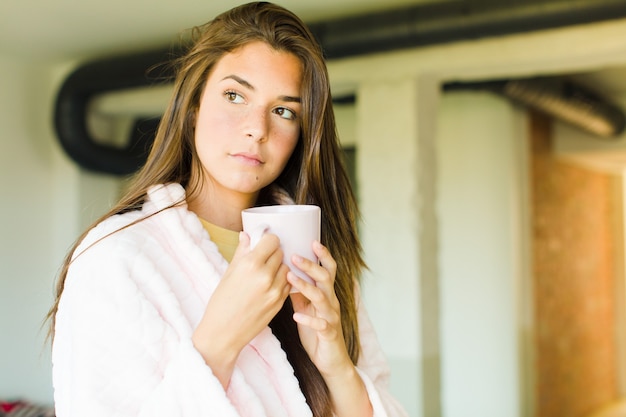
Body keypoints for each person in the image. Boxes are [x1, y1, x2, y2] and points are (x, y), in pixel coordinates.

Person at [48, 2, 408, 417]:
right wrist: (218, 341)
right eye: (235, 95)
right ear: (194, 105)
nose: (257, 127)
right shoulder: (115, 259)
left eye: (284, 111)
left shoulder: (317, 257)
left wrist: (336, 365)